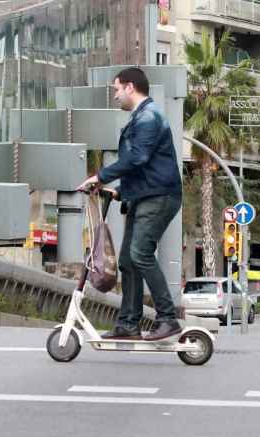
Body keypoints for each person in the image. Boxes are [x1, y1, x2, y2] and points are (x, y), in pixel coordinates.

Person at [78, 67, 183, 341]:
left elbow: (138, 158)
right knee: (127, 261)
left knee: (140, 254)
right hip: (145, 194)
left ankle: (168, 318)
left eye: (116, 90)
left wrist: (100, 177)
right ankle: (128, 324)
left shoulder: (148, 117)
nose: (115, 96)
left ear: (130, 87)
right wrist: (120, 191)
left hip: (159, 197)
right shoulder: (141, 117)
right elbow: (146, 167)